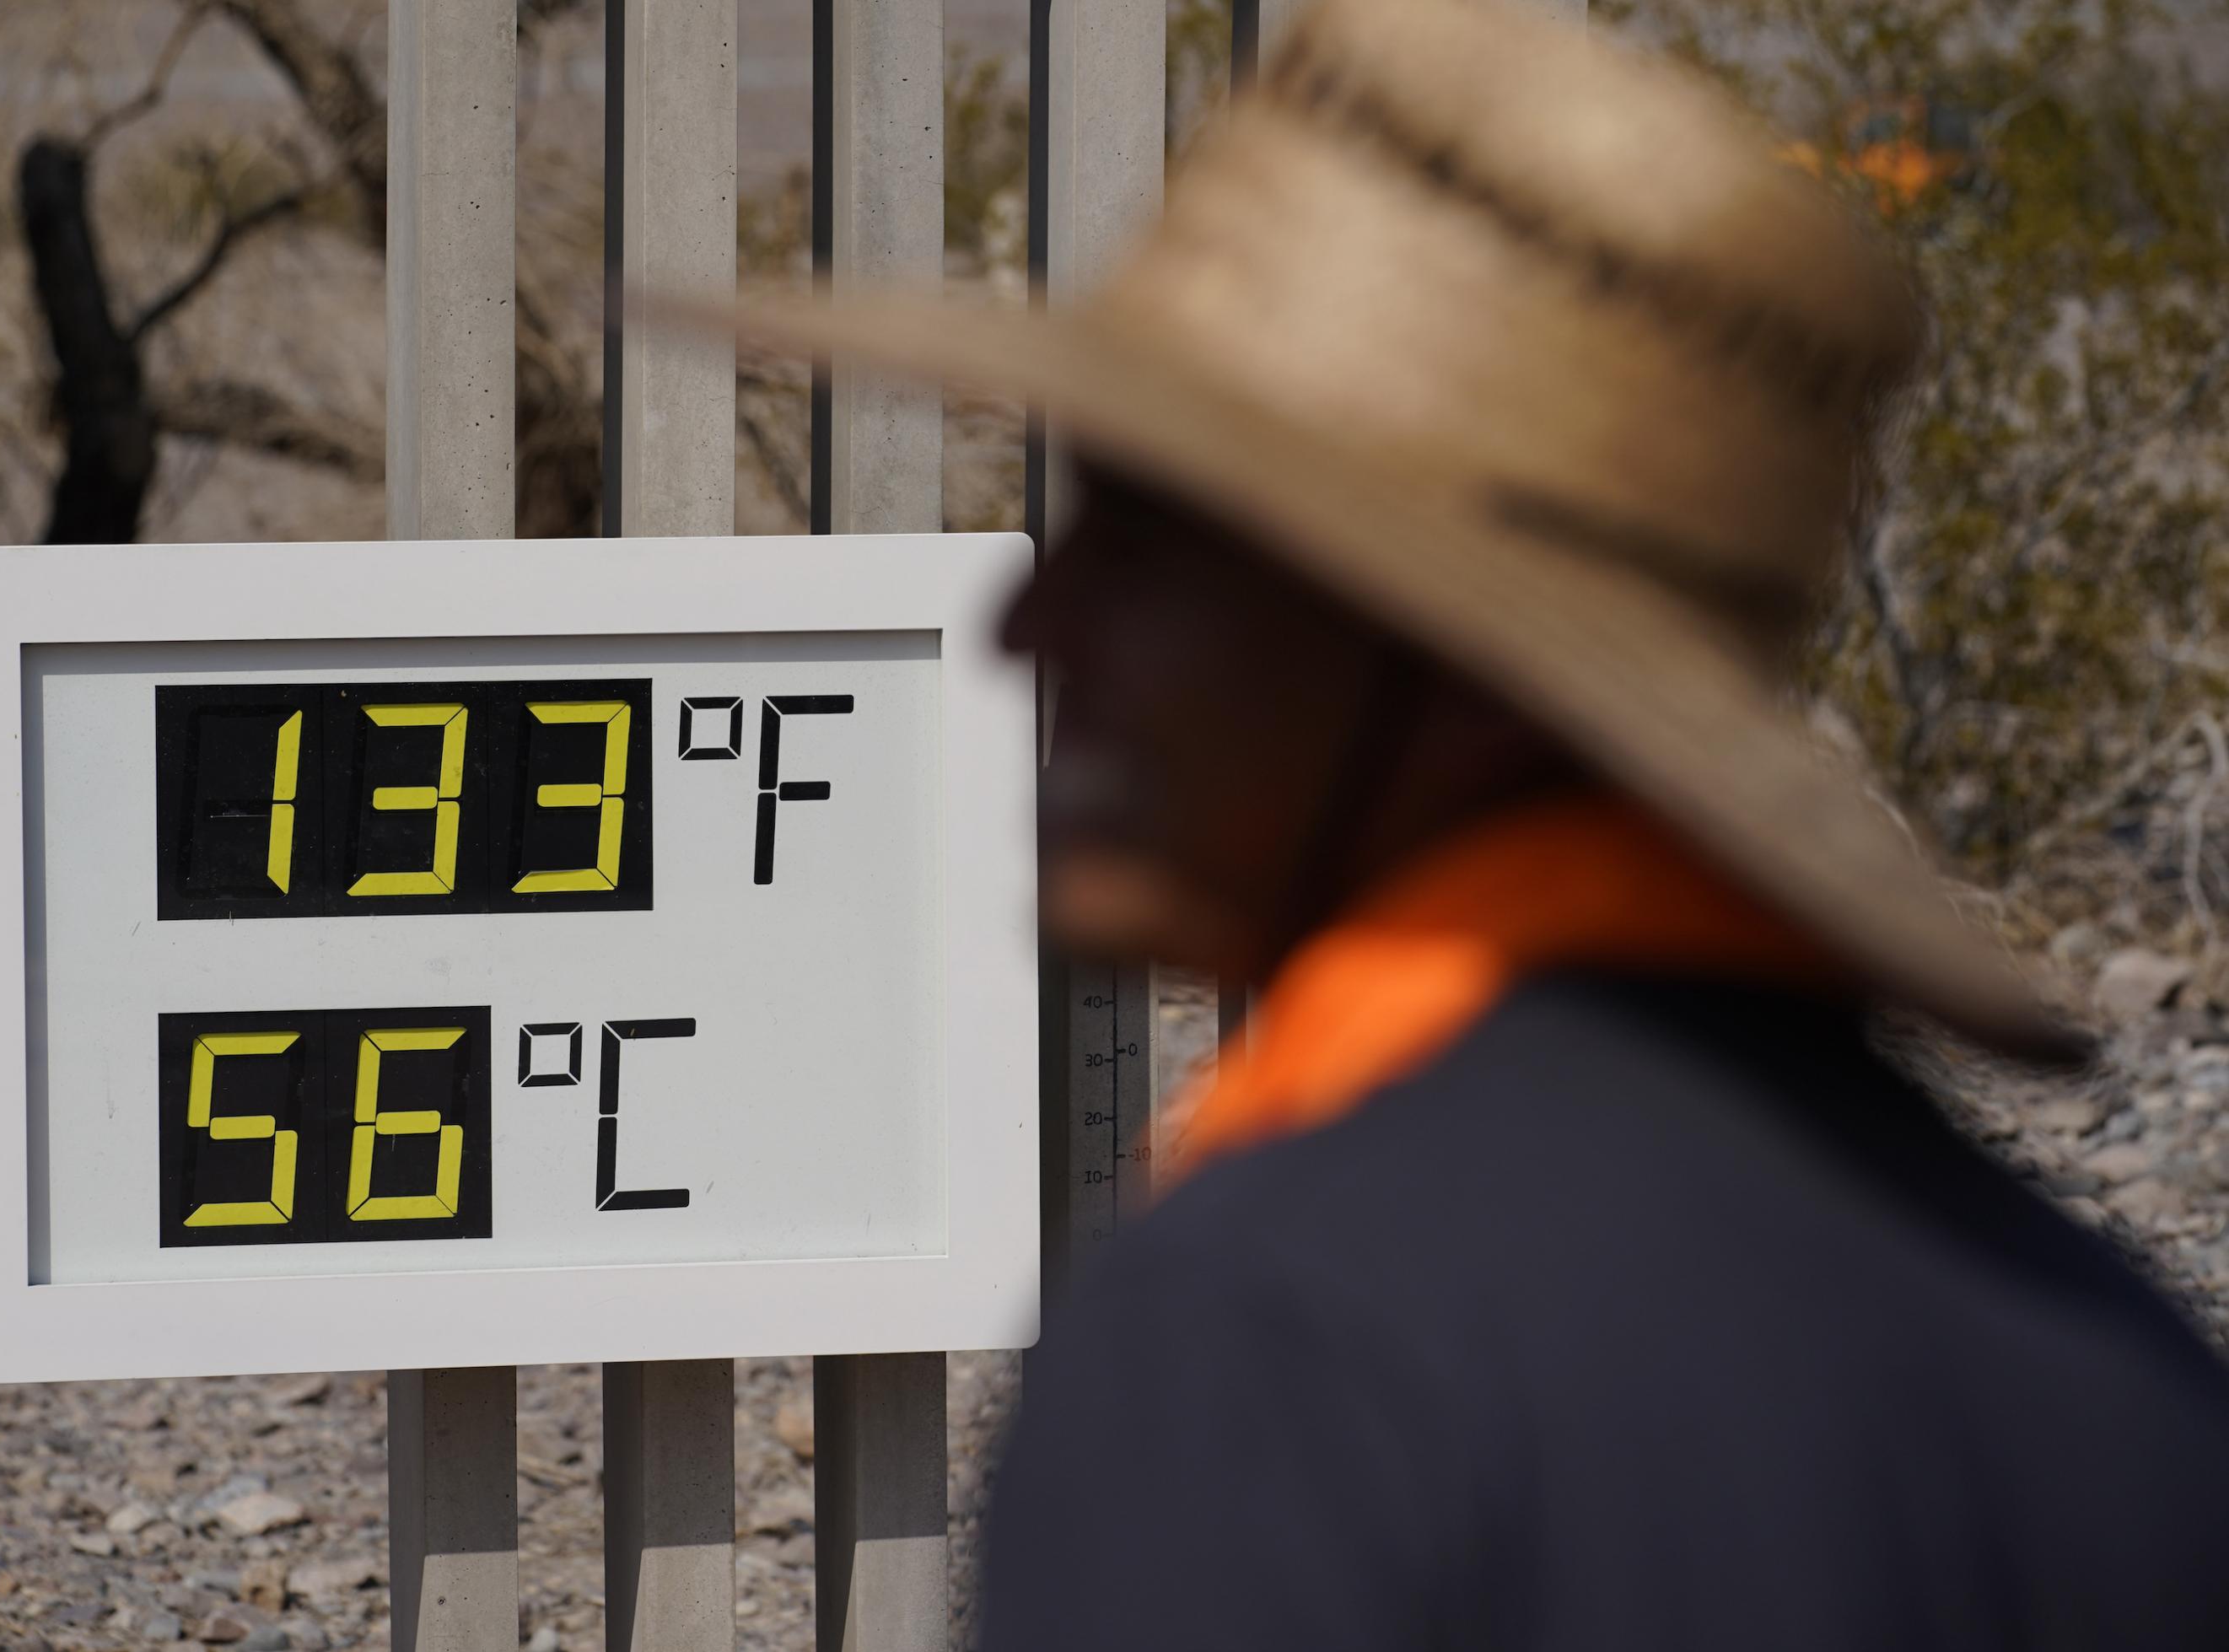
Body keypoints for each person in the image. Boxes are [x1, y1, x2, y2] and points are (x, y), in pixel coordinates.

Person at [706, 0, 2229, 1642]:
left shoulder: (1266, 1352)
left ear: (1468, 657)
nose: (1033, 628)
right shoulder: (2118, 1371)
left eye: (1151, 544)